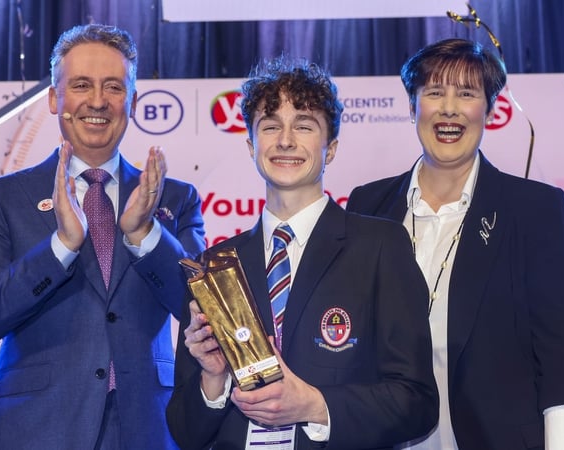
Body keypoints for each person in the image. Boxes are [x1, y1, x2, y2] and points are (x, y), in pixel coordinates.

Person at [0, 24, 204, 449]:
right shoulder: (1, 197)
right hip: (34, 430)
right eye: (81, 85)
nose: (98, 101)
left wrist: (145, 233)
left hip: (146, 430)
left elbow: (203, 307)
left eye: (114, 87)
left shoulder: (174, 198)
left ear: (133, 101)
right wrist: (60, 248)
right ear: (54, 98)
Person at [166, 57, 439, 450]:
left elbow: (417, 403)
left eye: (304, 126)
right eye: (271, 125)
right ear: (251, 144)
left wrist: (315, 406)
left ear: (330, 149)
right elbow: (185, 432)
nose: (286, 140)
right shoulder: (215, 267)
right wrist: (213, 380)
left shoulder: (380, 246)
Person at [346, 38, 564, 450]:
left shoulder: (535, 210)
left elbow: (561, 356)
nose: (449, 108)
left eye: (466, 94)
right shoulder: (368, 205)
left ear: (489, 110)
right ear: (412, 107)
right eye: (434, 93)